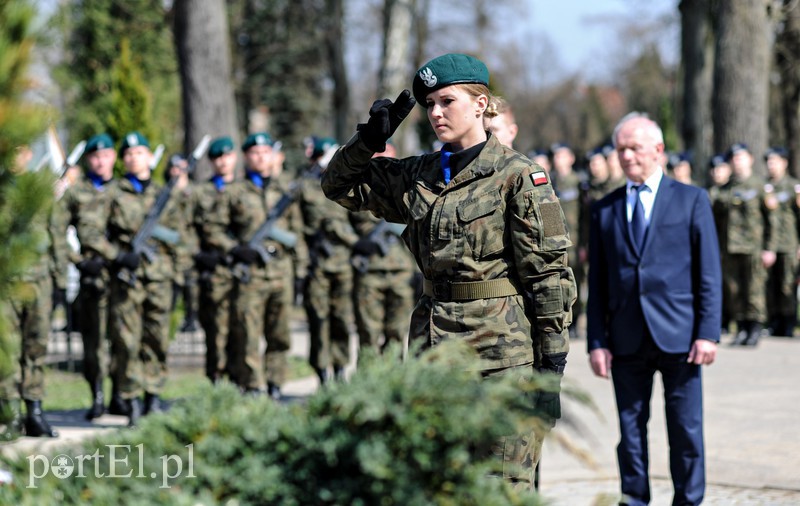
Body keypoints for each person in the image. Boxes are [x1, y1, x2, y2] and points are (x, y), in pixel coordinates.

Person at [321, 53, 576, 489]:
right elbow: (337, 186)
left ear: (481, 104)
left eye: (447, 101)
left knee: (502, 483)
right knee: (434, 478)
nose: (436, 113)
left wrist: (551, 364)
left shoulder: (518, 176)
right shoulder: (418, 174)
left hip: (500, 356)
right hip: (432, 347)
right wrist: (367, 143)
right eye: (430, 105)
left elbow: (548, 275)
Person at [587, 113, 721, 506]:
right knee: (630, 431)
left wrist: (708, 332)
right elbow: (598, 282)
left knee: (685, 429)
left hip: (681, 337)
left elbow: (708, 273)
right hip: (625, 339)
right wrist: (597, 340)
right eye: (621, 149)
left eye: (635, 148)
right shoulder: (604, 209)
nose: (627, 156)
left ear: (658, 150)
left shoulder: (692, 199)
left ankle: (688, 500)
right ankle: (634, 498)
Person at [79, 131, 187, 426]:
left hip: (159, 278)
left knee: (157, 339)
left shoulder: (166, 194)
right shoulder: (112, 193)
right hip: (126, 280)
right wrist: (117, 255)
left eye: (139, 152)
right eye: (127, 154)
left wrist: (178, 275)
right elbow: (89, 234)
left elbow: (180, 237)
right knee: (127, 343)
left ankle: (154, 397)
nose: (132, 157)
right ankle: (132, 401)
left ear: (150, 157)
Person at [215, 133, 308, 398]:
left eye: (265, 152)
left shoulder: (285, 190)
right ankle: (253, 385)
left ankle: (276, 383)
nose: (260, 157)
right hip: (250, 274)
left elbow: (296, 232)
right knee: (248, 333)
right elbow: (214, 229)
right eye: (254, 152)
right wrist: (234, 249)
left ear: (272, 156)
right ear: (246, 157)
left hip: (281, 271)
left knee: (279, 333)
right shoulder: (234, 192)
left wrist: (300, 271)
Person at [54, 133, 120, 420]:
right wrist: (78, 261)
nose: (100, 161)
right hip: (92, 277)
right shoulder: (75, 193)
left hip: (122, 277)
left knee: (123, 338)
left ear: (113, 158)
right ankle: (97, 395)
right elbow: (56, 230)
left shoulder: (125, 190)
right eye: (95, 156)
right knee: (93, 342)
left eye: (105, 156)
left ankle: (121, 394)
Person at [298, 135, 358, 384]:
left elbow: (360, 221)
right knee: (318, 320)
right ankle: (322, 371)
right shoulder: (304, 187)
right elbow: (297, 227)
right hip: (317, 265)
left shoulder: (347, 183)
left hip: (344, 264)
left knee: (342, 319)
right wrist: (302, 263)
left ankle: (341, 367)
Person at [350, 141, 417, 359]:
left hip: (401, 272)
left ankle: (393, 385)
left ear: (395, 154)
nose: (382, 156)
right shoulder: (359, 188)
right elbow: (334, 222)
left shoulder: (408, 186)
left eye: (386, 152)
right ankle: (367, 385)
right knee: (368, 334)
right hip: (369, 271)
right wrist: (355, 242)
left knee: (397, 334)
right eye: (377, 152)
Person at [720, 143, 774, 346]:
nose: (737, 162)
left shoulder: (760, 186)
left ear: (750, 159)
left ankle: (754, 328)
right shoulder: (725, 189)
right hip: (730, 248)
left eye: (741, 157)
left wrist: (769, 248)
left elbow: (772, 220)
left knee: (754, 288)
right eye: (733, 158)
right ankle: (741, 327)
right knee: (734, 289)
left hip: (754, 247)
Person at [194, 136, 238, 383]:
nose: (223, 161)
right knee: (216, 333)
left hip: (242, 273)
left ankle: (239, 380)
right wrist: (198, 254)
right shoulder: (200, 193)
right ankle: (217, 381)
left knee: (241, 331)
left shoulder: (244, 190)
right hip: (213, 273)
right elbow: (187, 228)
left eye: (227, 156)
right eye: (217, 157)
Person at [762, 146, 800, 337]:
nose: (771, 165)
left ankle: (789, 323)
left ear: (784, 163)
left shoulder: (794, 187)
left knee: (787, 285)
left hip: (789, 243)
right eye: (769, 162)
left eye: (774, 161)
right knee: (770, 285)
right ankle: (773, 321)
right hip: (769, 245)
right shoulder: (764, 187)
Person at [166, 153, 201, 334]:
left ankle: (192, 318)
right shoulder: (165, 193)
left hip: (191, 251)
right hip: (171, 253)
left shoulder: (195, 193)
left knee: (192, 289)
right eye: (174, 168)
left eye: (181, 168)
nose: (177, 172)